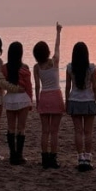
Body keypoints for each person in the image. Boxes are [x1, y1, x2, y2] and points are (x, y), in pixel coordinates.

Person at [33, 22, 65, 169]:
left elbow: (37, 86)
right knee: (54, 132)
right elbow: (57, 47)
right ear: (46, 52)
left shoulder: (36, 67)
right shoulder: (54, 62)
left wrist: (38, 101)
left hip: (44, 97)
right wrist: (58, 32)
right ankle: (54, 159)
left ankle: (45, 159)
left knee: (45, 131)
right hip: (56, 97)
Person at [65, 42, 96, 171]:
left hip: (74, 100)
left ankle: (80, 158)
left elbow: (68, 87)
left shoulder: (70, 67)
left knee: (78, 131)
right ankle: (88, 158)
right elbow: (95, 86)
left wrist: (66, 101)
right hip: (89, 101)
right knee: (88, 132)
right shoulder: (91, 68)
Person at [2, 42, 32, 165]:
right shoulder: (24, 68)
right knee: (21, 128)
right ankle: (19, 155)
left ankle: (12, 155)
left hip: (10, 98)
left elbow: (1, 83)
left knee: (10, 127)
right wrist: (30, 100)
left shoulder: (4, 68)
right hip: (23, 98)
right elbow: (29, 86)